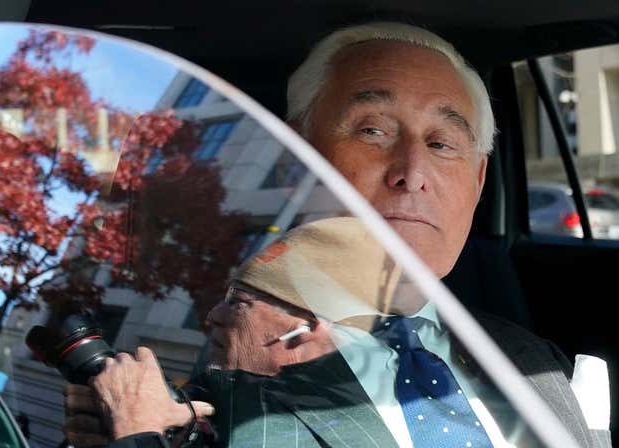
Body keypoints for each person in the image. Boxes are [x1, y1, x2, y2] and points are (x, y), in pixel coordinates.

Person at [64, 22, 611, 447]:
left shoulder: (534, 358)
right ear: (292, 160)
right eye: (372, 131)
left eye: (443, 143)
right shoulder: (187, 384)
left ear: (478, 181)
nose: (412, 171)